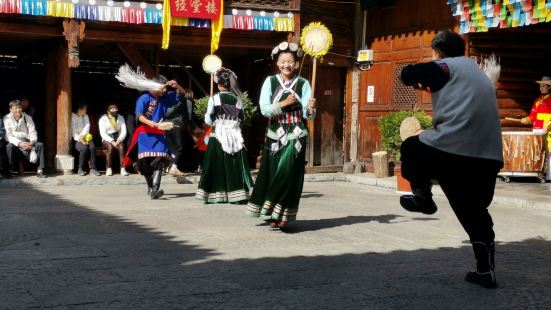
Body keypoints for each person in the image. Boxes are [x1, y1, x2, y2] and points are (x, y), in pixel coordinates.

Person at [399, 29, 503, 288]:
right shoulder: (476, 72)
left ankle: (423, 198)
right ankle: (485, 271)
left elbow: (408, 74)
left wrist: (420, 77)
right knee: (473, 211)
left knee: (412, 147)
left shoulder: (446, 66)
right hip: (488, 156)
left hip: (455, 149)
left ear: (439, 52)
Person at [245, 41, 316, 228]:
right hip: (275, 135)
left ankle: (283, 215)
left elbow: (309, 115)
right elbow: (264, 110)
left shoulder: (303, 83)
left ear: (297, 64)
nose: (287, 65)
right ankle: (272, 214)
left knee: (289, 174)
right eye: (283, 61)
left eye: (290, 61)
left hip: (297, 135)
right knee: (273, 173)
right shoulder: (270, 82)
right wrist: (283, 104)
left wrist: (310, 109)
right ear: (277, 63)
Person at [195, 68, 254, 204]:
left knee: (216, 164)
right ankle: (237, 195)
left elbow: (208, 120)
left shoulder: (214, 98)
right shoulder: (238, 99)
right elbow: (242, 117)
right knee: (234, 164)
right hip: (234, 135)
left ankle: (217, 194)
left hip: (218, 135)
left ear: (219, 84)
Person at [125, 75, 185, 199]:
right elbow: (139, 115)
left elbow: (184, 94)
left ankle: (154, 190)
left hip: (159, 133)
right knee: (145, 165)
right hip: (144, 133)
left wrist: (177, 86)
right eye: (162, 88)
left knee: (159, 161)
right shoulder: (144, 98)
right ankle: (151, 187)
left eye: (165, 88)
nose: (164, 90)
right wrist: (150, 122)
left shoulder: (165, 98)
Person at [3, 99, 47, 178]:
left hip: (27, 142)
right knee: (9, 147)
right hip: (15, 143)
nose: (18, 110)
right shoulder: (7, 118)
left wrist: (32, 142)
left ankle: (40, 170)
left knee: (40, 145)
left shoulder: (27, 117)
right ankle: (9, 170)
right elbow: (8, 135)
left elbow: (32, 132)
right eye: (15, 108)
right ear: (10, 109)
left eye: (19, 107)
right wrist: (19, 144)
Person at [520, 76, 551, 180]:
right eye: (540, 86)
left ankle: (549, 175)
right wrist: (526, 120)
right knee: (539, 152)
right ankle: (540, 173)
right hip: (537, 131)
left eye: (543, 86)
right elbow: (532, 116)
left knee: (549, 152)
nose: (540, 88)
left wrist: (548, 126)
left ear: (549, 87)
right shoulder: (537, 101)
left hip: (549, 132)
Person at [164, 89, 194, 176]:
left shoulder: (168, 99)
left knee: (172, 149)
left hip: (165, 124)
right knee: (179, 147)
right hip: (177, 123)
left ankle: (168, 167)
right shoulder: (188, 100)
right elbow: (189, 116)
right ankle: (173, 168)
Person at [99, 104, 128, 176]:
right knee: (110, 147)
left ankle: (123, 168)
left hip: (117, 137)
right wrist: (111, 141)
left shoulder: (120, 118)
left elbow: (124, 130)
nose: (114, 111)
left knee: (121, 147)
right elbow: (103, 133)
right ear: (108, 111)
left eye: (115, 109)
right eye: (112, 109)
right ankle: (108, 168)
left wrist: (119, 139)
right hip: (107, 138)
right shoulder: (103, 119)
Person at [71, 102, 100, 176]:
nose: (86, 111)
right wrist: (79, 138)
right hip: (76, 139)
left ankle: (93, 169)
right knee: (84, 148)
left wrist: (82, 136)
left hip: (85, 136)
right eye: (84, 109)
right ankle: (80, 168)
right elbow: (72, 130)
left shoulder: (85, 116)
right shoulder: (71, 116)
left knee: (92, 147)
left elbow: (87, 126)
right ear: (79, 109)